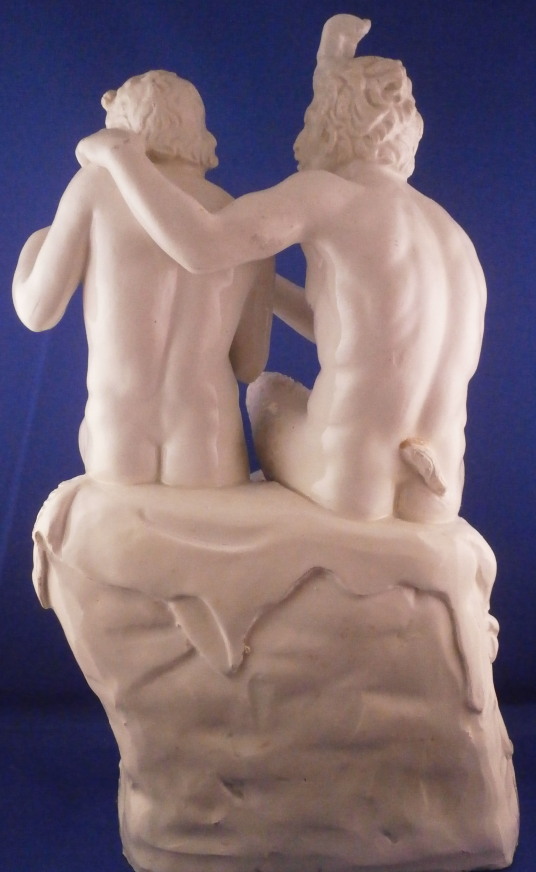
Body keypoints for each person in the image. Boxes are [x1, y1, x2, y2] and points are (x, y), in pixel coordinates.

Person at [74, 16, 486, 523]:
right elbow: (365, 333)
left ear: (331, 123)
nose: (300, 139)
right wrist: (259, 288)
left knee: (267, 391)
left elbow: (201, 245)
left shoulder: (330, 193)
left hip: (350, 479)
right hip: (440, 486)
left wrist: (122, 160)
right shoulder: (452, 235)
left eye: (312, 118)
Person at [13, 70, 273, 488]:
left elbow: (36, 311)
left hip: (119, 436)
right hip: (209, 442)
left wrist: (36, 243)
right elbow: (250, 364)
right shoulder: (239, 221)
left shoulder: (94, 188)